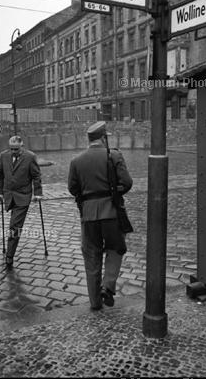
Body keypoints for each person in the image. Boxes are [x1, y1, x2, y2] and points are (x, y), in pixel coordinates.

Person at [68, 121, 133, 311]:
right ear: (104, 138)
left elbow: (72, 189)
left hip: (88, 216)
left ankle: (95, 303)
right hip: (112, 213)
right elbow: (127, 183)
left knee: (91, 256)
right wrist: (114, 191)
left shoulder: (76, 161)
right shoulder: (113, 155)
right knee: (116, 248)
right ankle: (108, 286)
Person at [0, 135, 43, 267]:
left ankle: (9, 256)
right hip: (8, 195)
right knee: (13, 224)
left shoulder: (30, 157)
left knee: (14, 226)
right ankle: (10, 249)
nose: (13, 152)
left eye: (16, 149)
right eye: (11, 149)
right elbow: (0, 176)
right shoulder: (4, 156)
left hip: (23, 197)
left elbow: (36, 176)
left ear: (21, 146)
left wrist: (38, 193)